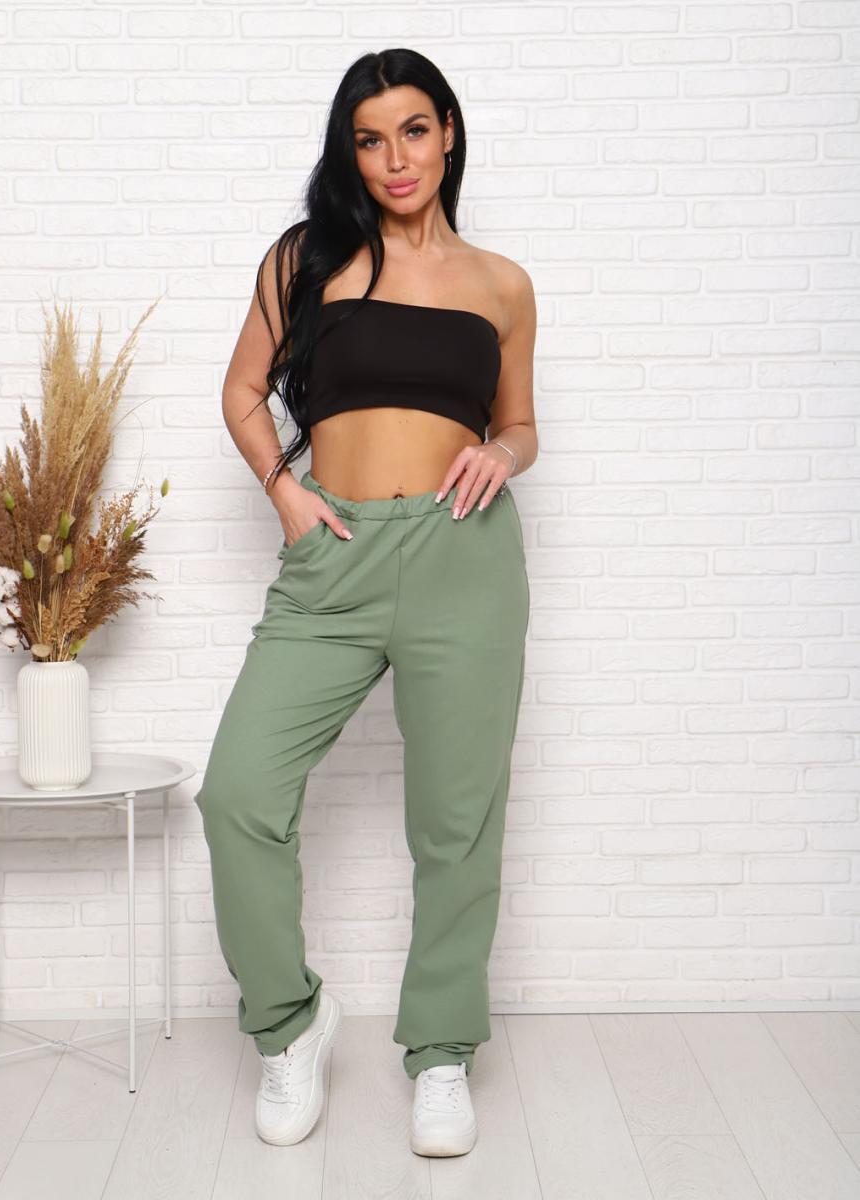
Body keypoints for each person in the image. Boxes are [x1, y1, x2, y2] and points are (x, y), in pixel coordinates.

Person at [193, 47, 536, 1159]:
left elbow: (519, 422)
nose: (396, 159)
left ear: (448, 134)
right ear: (350, 153)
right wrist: (284, 492)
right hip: (330, 559)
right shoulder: (306, 259)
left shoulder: (500, 285)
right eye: (370, 139)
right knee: (238, 794)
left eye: (414, 131)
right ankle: (290, 1024)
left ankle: (439, 1053)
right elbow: (242, 392)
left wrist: (502, 453)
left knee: (456, 822)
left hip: (461, 556)